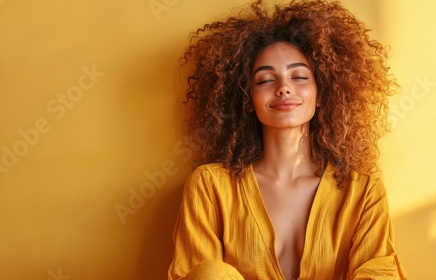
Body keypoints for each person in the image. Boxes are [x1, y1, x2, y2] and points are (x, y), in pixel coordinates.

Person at [168, 0, 408, 279]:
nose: (284, 88)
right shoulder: (210, 186)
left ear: (320, 95)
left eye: (299, 77)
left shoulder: (363, 190)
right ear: (247, 99)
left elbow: (379, 270)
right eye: (265, 80)